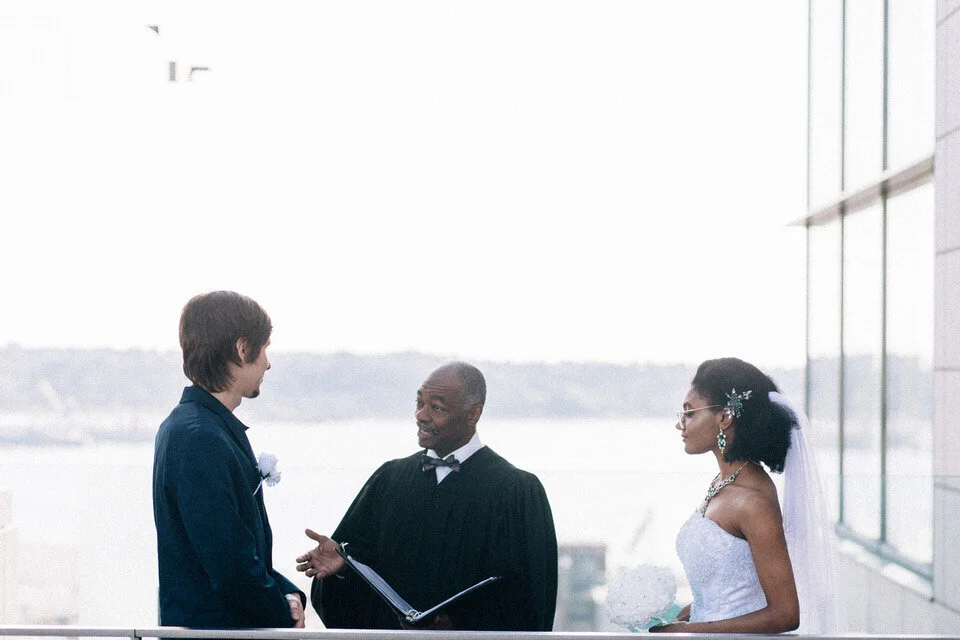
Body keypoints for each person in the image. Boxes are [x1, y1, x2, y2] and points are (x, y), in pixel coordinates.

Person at [295, 362, 558, 630]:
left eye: (437, 407)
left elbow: (530, 600)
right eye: (419, 403)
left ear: (473, 414)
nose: (421, 415)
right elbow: (354, 590)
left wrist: (457, 625)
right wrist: (343, 571)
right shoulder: (389, 480)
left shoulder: (515, 492)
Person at [651, 357, 839, 634]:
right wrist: (699, 607)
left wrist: (687, 631)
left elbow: (785, 614)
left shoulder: (753, 500)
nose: (680, 425)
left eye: (689, 413)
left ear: (724, 417)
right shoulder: (723, 482)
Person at [152, 291, 305, 628]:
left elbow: (238, 555)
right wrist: (283, 612)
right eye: (264, 348)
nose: (268, 362)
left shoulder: (197, 427)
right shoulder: (199, 437)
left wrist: (289, 593)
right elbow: (229, 566)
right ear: (241, 349)